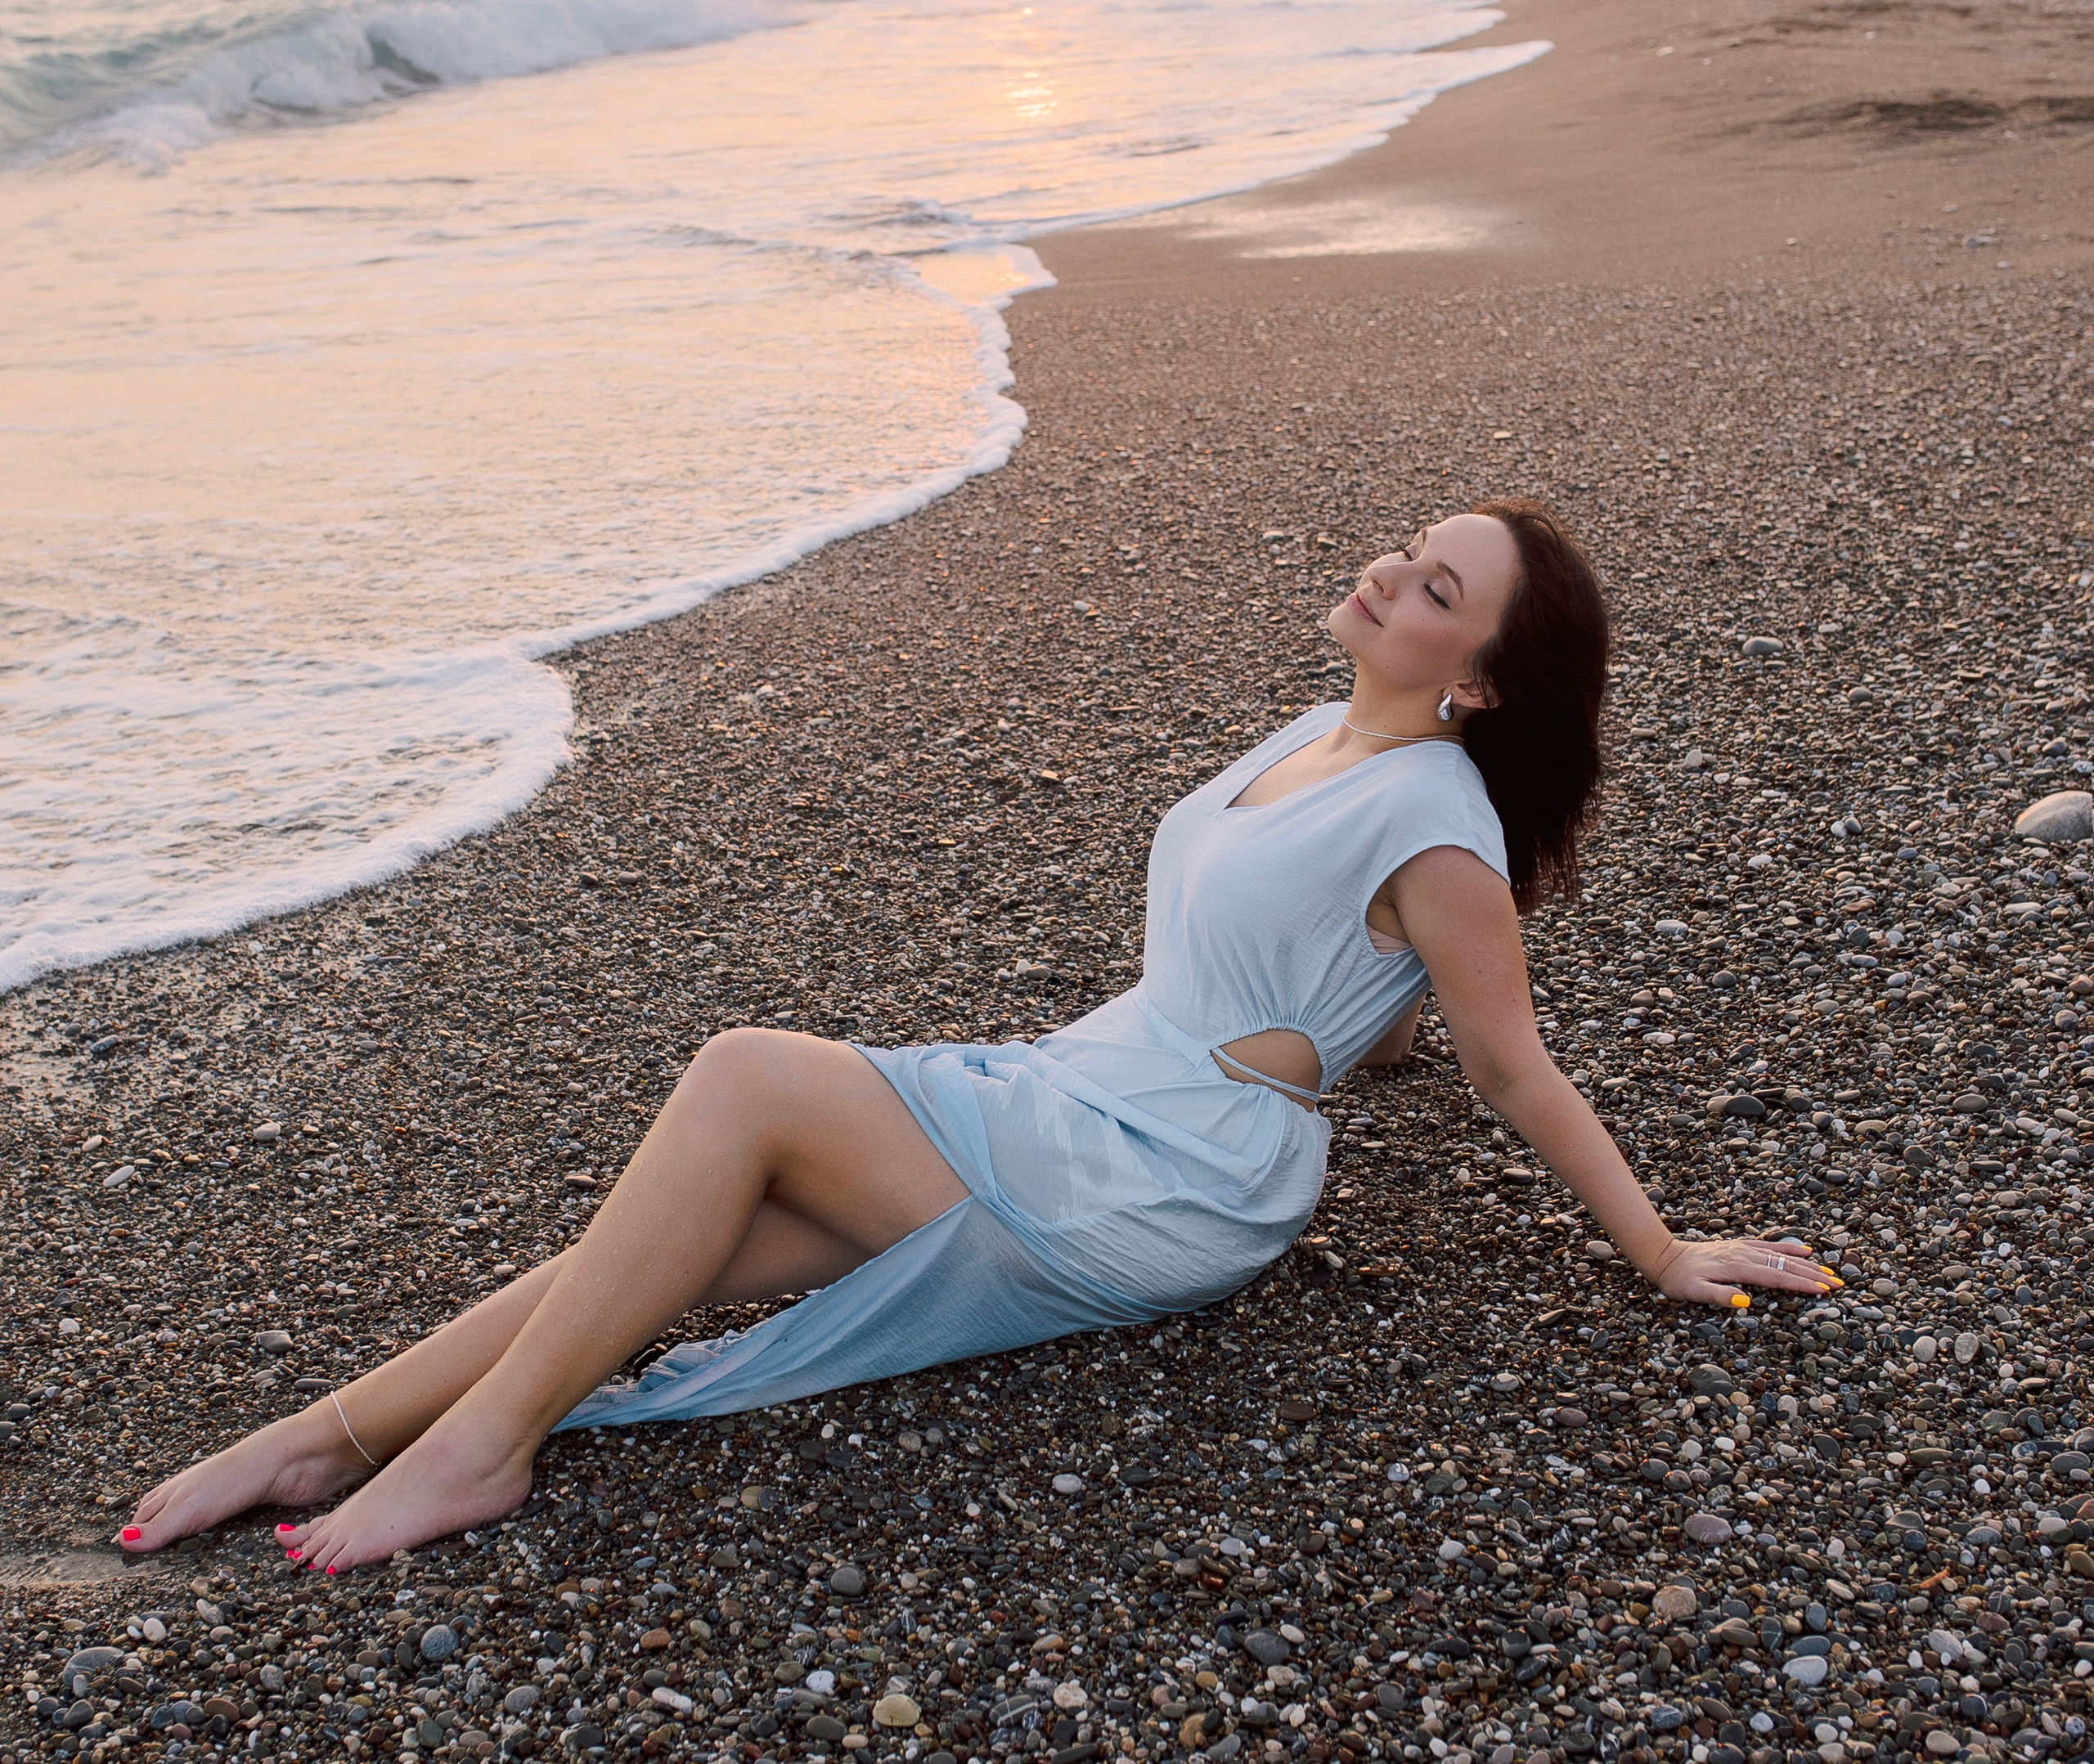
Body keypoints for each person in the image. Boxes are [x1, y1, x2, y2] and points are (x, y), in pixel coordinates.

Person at [115, 498, 1836, 1574]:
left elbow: (1506, 1062)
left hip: (1167, 1176)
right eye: (1411, 544)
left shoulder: (1442, 826)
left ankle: (478, 1452)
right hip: (1096, 1087)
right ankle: (325, 1433)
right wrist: (1328, 1030)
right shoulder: (1323, 726)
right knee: (673, 1232)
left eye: (1435, 581)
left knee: (742, 1073)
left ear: (1477, 674)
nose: (1392, 569)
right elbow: (1329, 970)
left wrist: (1660, 1245)